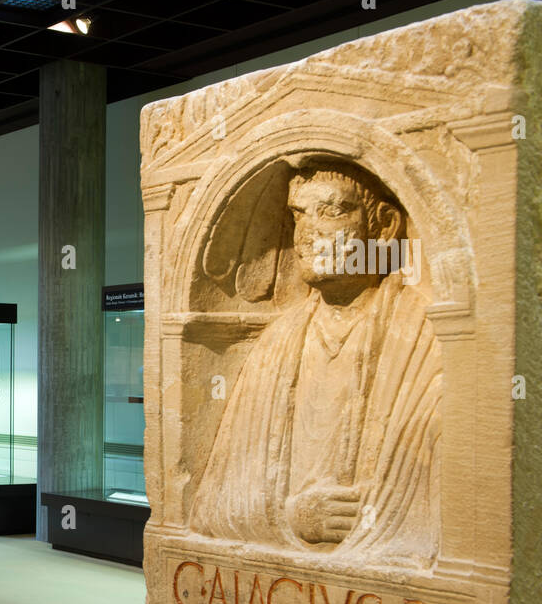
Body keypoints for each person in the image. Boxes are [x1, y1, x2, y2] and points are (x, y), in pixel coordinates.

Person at [189, 159, 441, 567]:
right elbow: (211, 507)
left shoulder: (422, 336)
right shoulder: (278, 344)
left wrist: (380, 512)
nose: (308, 234)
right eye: (298, 214)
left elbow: (459, 498)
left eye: (332, 211)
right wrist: (292, 517)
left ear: (384, 224)